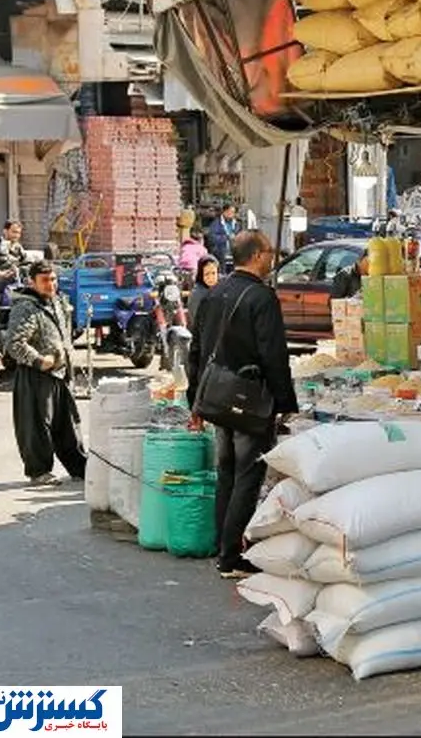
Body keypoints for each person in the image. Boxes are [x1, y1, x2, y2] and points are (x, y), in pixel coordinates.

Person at [187, 230, 297, 579]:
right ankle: (232, 557)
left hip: (217, 397)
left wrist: (196, 399)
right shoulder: (261, 298)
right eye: (268, 252)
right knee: (248, 476)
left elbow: (197, 351)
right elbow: (273, 355)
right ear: (256, 255)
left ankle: (223, 545)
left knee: (227, 474)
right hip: (249, 400)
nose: (272, 258)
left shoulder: (213, 293)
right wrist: (284, 401)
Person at [4, 260, 87, 486]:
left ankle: (81, 468)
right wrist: (40, 361)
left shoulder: (57, 302)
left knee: (68, 424)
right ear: (32, 282)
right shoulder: (26, 307)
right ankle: (39, 471)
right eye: (45, 280)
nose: (50, 284)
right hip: (36, 375)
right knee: (36, 426)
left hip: (59, 373)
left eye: (53, 279)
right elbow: (15, 343)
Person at [187, 255, 219, 324]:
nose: (211, 278)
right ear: (201, 275)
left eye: (213, 273)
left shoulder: (222, 288)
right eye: (207, 274)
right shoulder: (197, 295)